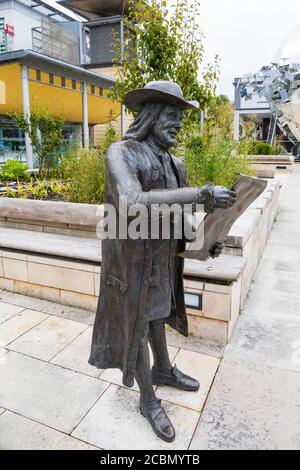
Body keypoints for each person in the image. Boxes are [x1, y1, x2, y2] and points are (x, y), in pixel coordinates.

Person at [89, 81, 237, 442]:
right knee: (138, 323)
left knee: (157, 312)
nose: (177, 124)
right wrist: (202, 194)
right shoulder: (121, 153)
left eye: (180, 118)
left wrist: (205, 240)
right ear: (152, 114)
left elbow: (180, 215)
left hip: (162, 258)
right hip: (131, 261)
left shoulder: (176, 163)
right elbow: (132, 201)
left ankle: (164, 370)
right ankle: (147, 399)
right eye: (172, 116)